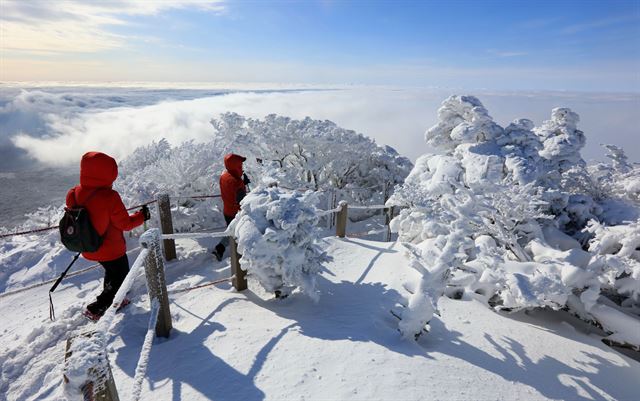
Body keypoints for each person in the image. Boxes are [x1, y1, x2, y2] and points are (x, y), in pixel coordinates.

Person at [66, 151, 150, 320]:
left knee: (112, 273)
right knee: (121, 275)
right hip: (111, 249)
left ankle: (116, 299)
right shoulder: (110, 197)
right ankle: (98, 307)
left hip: (89, 245)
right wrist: (142, 216)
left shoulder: (73, 193)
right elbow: (125, 224)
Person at [214, 153, 250, 261]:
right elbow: (242, 201)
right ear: (236, 165)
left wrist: (242, 182)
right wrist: (243, 185)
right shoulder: (237, 182)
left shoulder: (223, 176)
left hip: (227, 211)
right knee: (237, 234)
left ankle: (220, 250)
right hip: (236, 213)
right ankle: (240, 260)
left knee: (232, 232)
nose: (242, 166)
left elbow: (231, 189)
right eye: (240, 164)